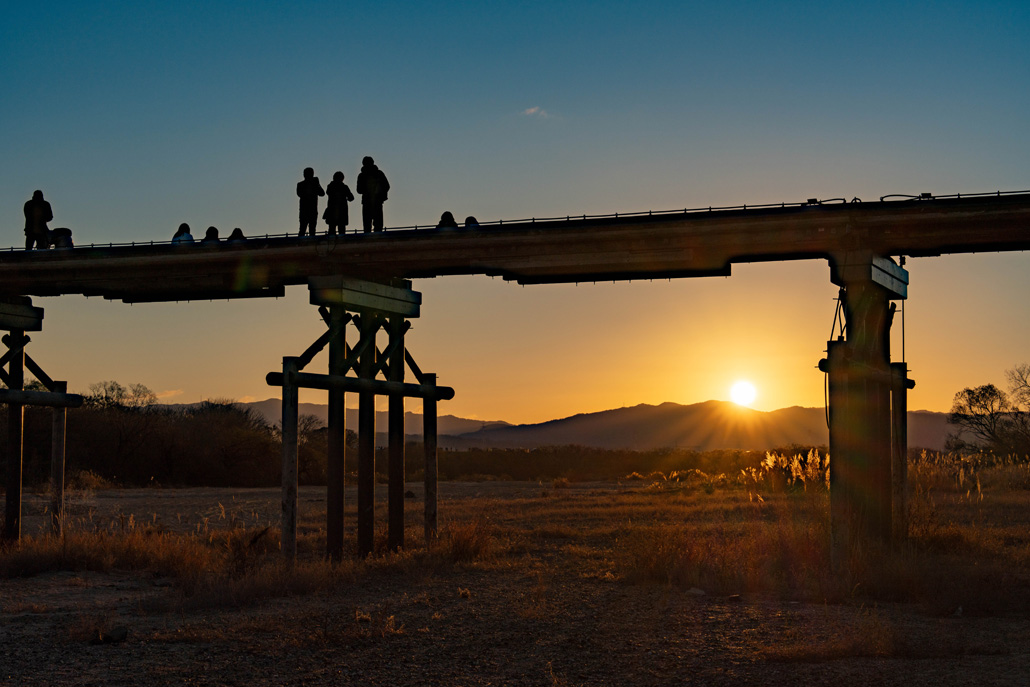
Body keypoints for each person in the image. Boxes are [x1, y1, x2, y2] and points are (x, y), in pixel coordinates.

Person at [356, 156, 390, 233]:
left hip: (368, 201)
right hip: (376, 201)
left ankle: (368, 237)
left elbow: (359, 190)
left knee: (367, 224)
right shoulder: (379, 173)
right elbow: (387, 186)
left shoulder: (362, 175)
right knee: (378, 224)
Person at [323, 171, 354, 235]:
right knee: (341, 231)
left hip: (332, 210)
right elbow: (351, 198)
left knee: (331, 230)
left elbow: (328, 192)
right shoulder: (344, 187)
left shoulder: (330, 186)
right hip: (342, 211)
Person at [296, 167, 325, 237]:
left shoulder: (302, 184)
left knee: (308, 229)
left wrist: (317, 184)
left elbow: (322, 193)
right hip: (307, 210)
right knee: (305, 229)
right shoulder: (301, 184)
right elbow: (322, 193)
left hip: (309, 210)